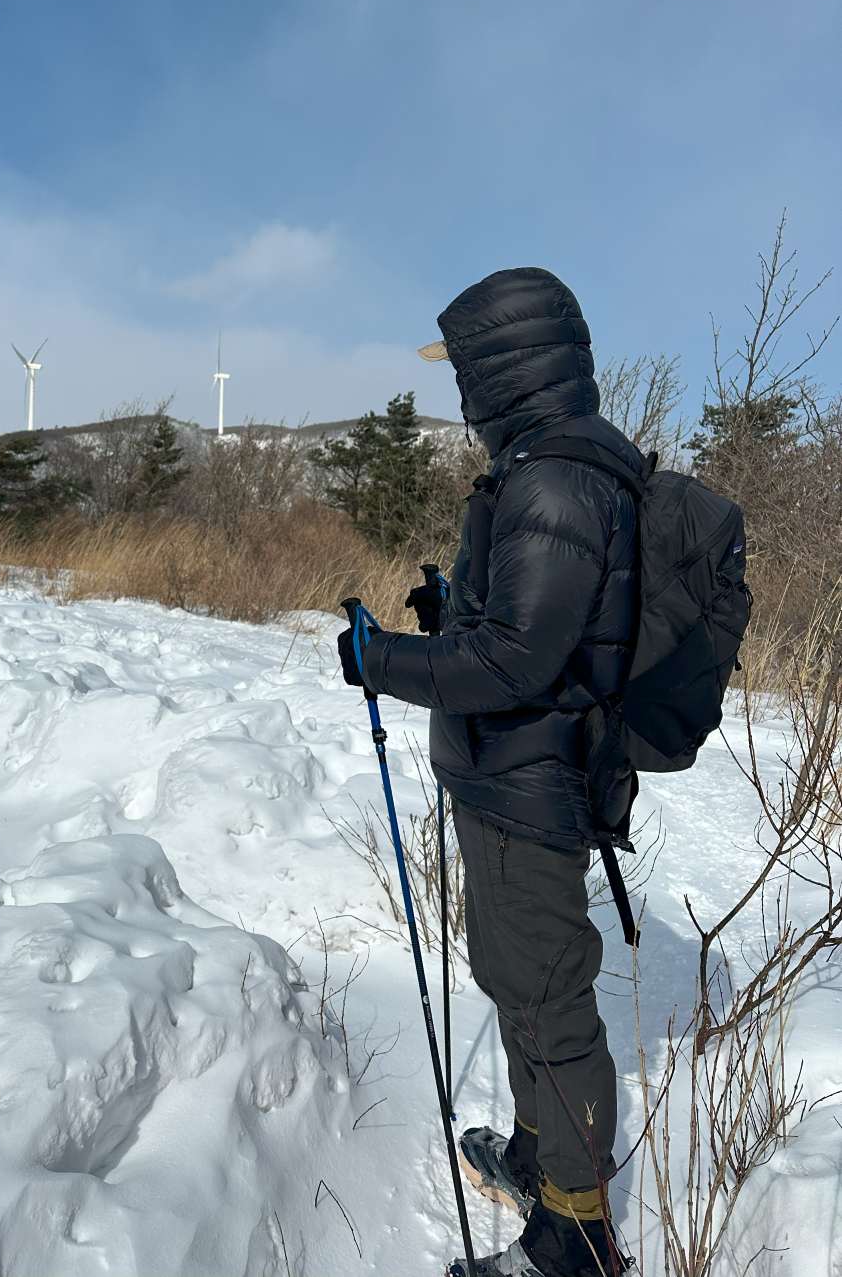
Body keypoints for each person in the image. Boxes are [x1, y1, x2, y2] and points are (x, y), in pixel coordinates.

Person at [338, 266, 641, 1277]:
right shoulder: (548, 468)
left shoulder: (553, 478)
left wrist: (382, 660)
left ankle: (574, 1239)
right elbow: (532, 624)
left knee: (549, 1002)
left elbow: (516, 661)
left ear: (503, 369)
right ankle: (538, 1157)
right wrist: (453, 607)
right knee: (518, 981)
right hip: (510, 773)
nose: (460, 392)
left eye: (464, 371)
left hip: (528, 783)